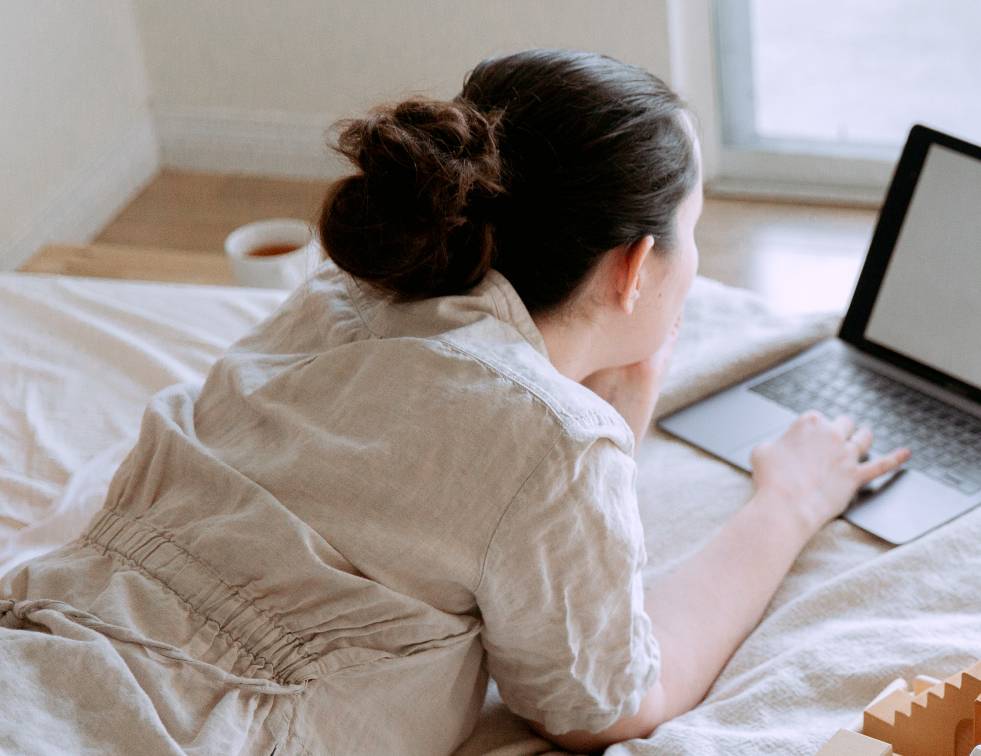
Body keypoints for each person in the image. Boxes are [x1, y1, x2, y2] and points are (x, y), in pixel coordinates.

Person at [0, 49, 911, 754]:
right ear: (634, 268)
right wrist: (787, 502)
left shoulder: (340, 294)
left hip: (48, 651)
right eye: (694, 229)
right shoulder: (548, 442)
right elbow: (601, 707)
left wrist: (607, 423)